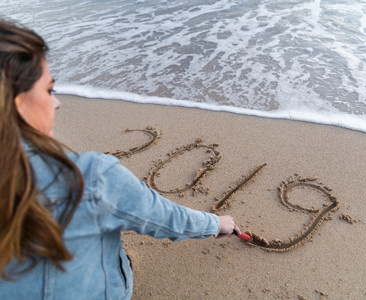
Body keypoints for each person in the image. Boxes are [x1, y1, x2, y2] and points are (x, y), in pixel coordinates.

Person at [0, 19, 240, 299]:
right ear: (17, 103)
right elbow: (163, 217)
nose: (57, 102)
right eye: (48, 90)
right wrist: (215, 224)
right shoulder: (89, 177)